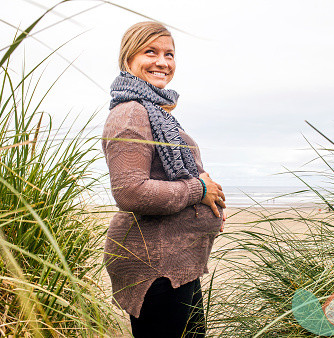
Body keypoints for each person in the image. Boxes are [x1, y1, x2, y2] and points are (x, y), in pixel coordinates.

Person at [102, 21, 226, 338]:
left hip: (173, 262)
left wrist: (207, 202)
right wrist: (199, 190)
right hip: (155, 265)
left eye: (169, 54)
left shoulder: (155, 110)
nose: (162, 62)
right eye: (150, 51)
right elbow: (131, 192)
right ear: (128, 59)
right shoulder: (131, 112)